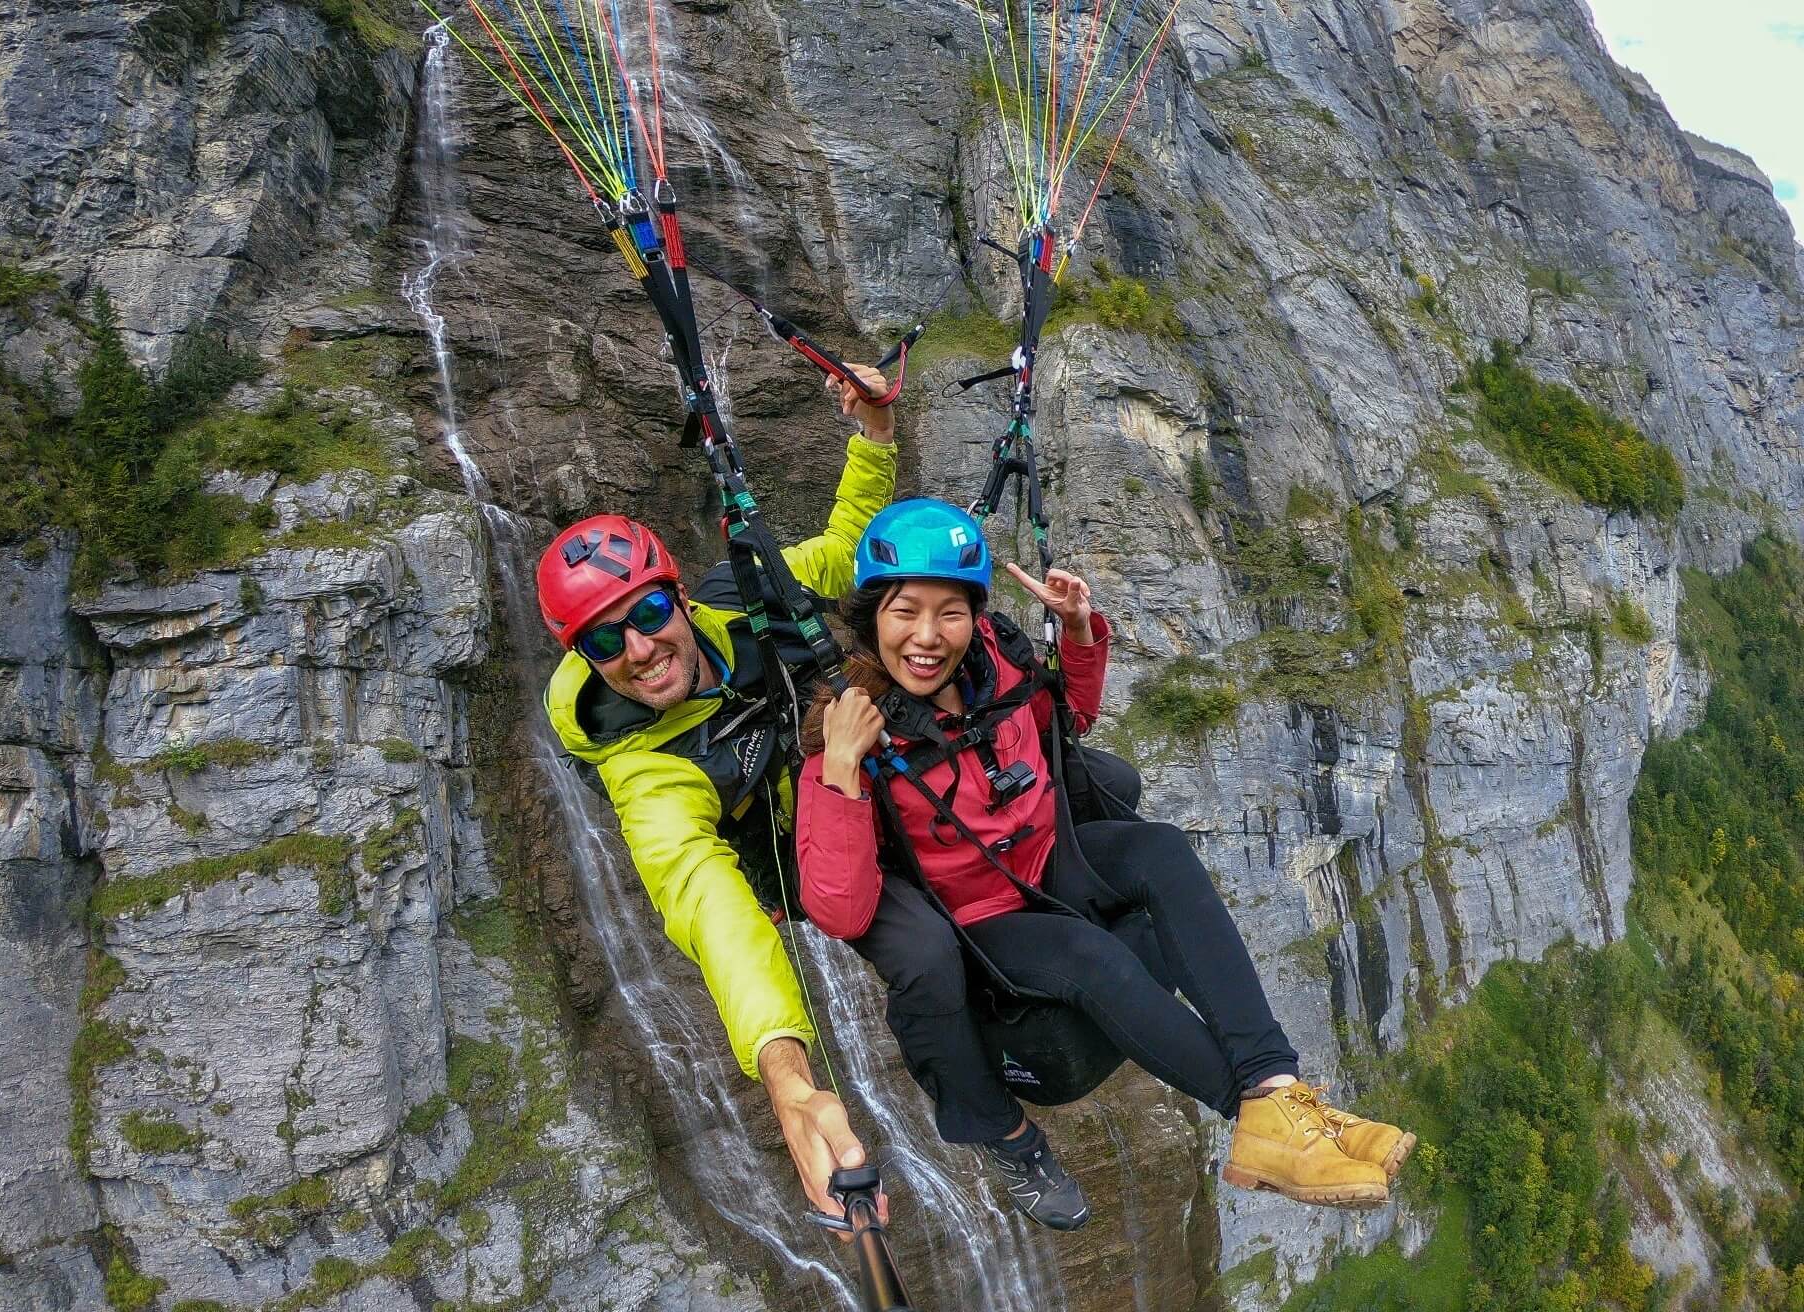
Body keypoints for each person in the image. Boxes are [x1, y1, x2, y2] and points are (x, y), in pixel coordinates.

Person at [795, 498, 1416, 1230]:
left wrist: (1082, 634)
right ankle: (1259, 1123)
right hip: (983, 919)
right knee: (1091, 956)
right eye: (906, 611)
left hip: (1047, 859)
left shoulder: (995, 665)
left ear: (974, 616)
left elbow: (1070, 724)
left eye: (950, 612)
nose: (928, 636)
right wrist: (840, 764)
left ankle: (1276, 1085)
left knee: (1159, 848)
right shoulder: (850, 729)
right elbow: (838, 909)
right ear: (873, 616)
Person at [537, 365, 898, 1227]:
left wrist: (876, 435)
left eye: (649, 608)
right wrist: (788, 1080)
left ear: (680, 597)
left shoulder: (739, 599)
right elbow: (703, 899)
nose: (639, 646)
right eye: (602, 638)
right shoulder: (640, 764)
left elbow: (845, 548)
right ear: (582, 654)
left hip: (845, 795)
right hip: (796, 876)